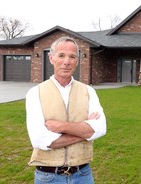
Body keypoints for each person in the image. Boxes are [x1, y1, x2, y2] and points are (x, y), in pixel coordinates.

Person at [26, 36, 106, 183]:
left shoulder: (88, 91)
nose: (66, 62)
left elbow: (100, 128)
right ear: (51, 58)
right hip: (48, 177)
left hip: (83, 175)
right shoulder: (35, 92)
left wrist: (59, 126)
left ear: (77, 61)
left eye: (72, 56)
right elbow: (40, 140)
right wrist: (85, 132)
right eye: (61, 55)